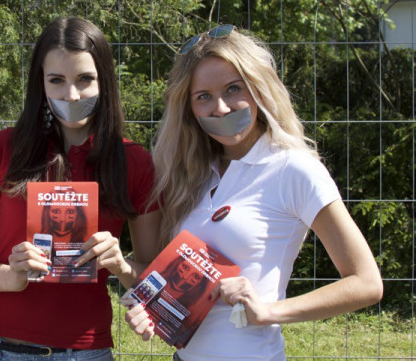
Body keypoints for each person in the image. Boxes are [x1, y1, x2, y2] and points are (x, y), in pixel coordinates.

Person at [124, 25, 383, 360]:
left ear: (260, 87)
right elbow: (177, 281)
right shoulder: (191, 175)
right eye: (203, 96)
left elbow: (366, 283)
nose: (221, 108)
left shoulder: (294, 169)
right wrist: (147, 310)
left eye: (234, 89)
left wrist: (270, 311)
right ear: (188, 108)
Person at [0, 16, 161, 360]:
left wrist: (121, 265)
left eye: (85, 79)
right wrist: (10, 276)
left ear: (104, 81)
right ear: (41, 84)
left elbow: (153, 278)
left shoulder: (134, 161)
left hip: (84, 351)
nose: (72, 94)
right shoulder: (3, 148)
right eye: (57, 80)